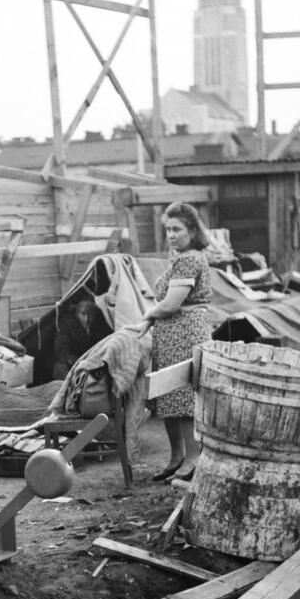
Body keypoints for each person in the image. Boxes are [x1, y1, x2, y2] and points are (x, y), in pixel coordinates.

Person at [126, 202, 212, 482]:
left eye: (177, 229)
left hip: (185, 334)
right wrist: (152, 320)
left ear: (192, 230)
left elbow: (171, 304)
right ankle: (176, 457)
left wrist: (146, 317)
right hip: (170, 334)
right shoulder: (179, 258)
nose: (172, 235)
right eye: (168, 230)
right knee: (167, 397)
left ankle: (192, 457)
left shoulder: (190, 259)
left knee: (183, 398)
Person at [52, 297, 106, 381]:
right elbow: (61, 351)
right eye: (83, 314)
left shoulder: (98, 324)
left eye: (90, 315)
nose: (86, 319)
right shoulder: (67, 324)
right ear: (77, 314)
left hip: (91, 363)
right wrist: (79, 363)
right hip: (71, 364)